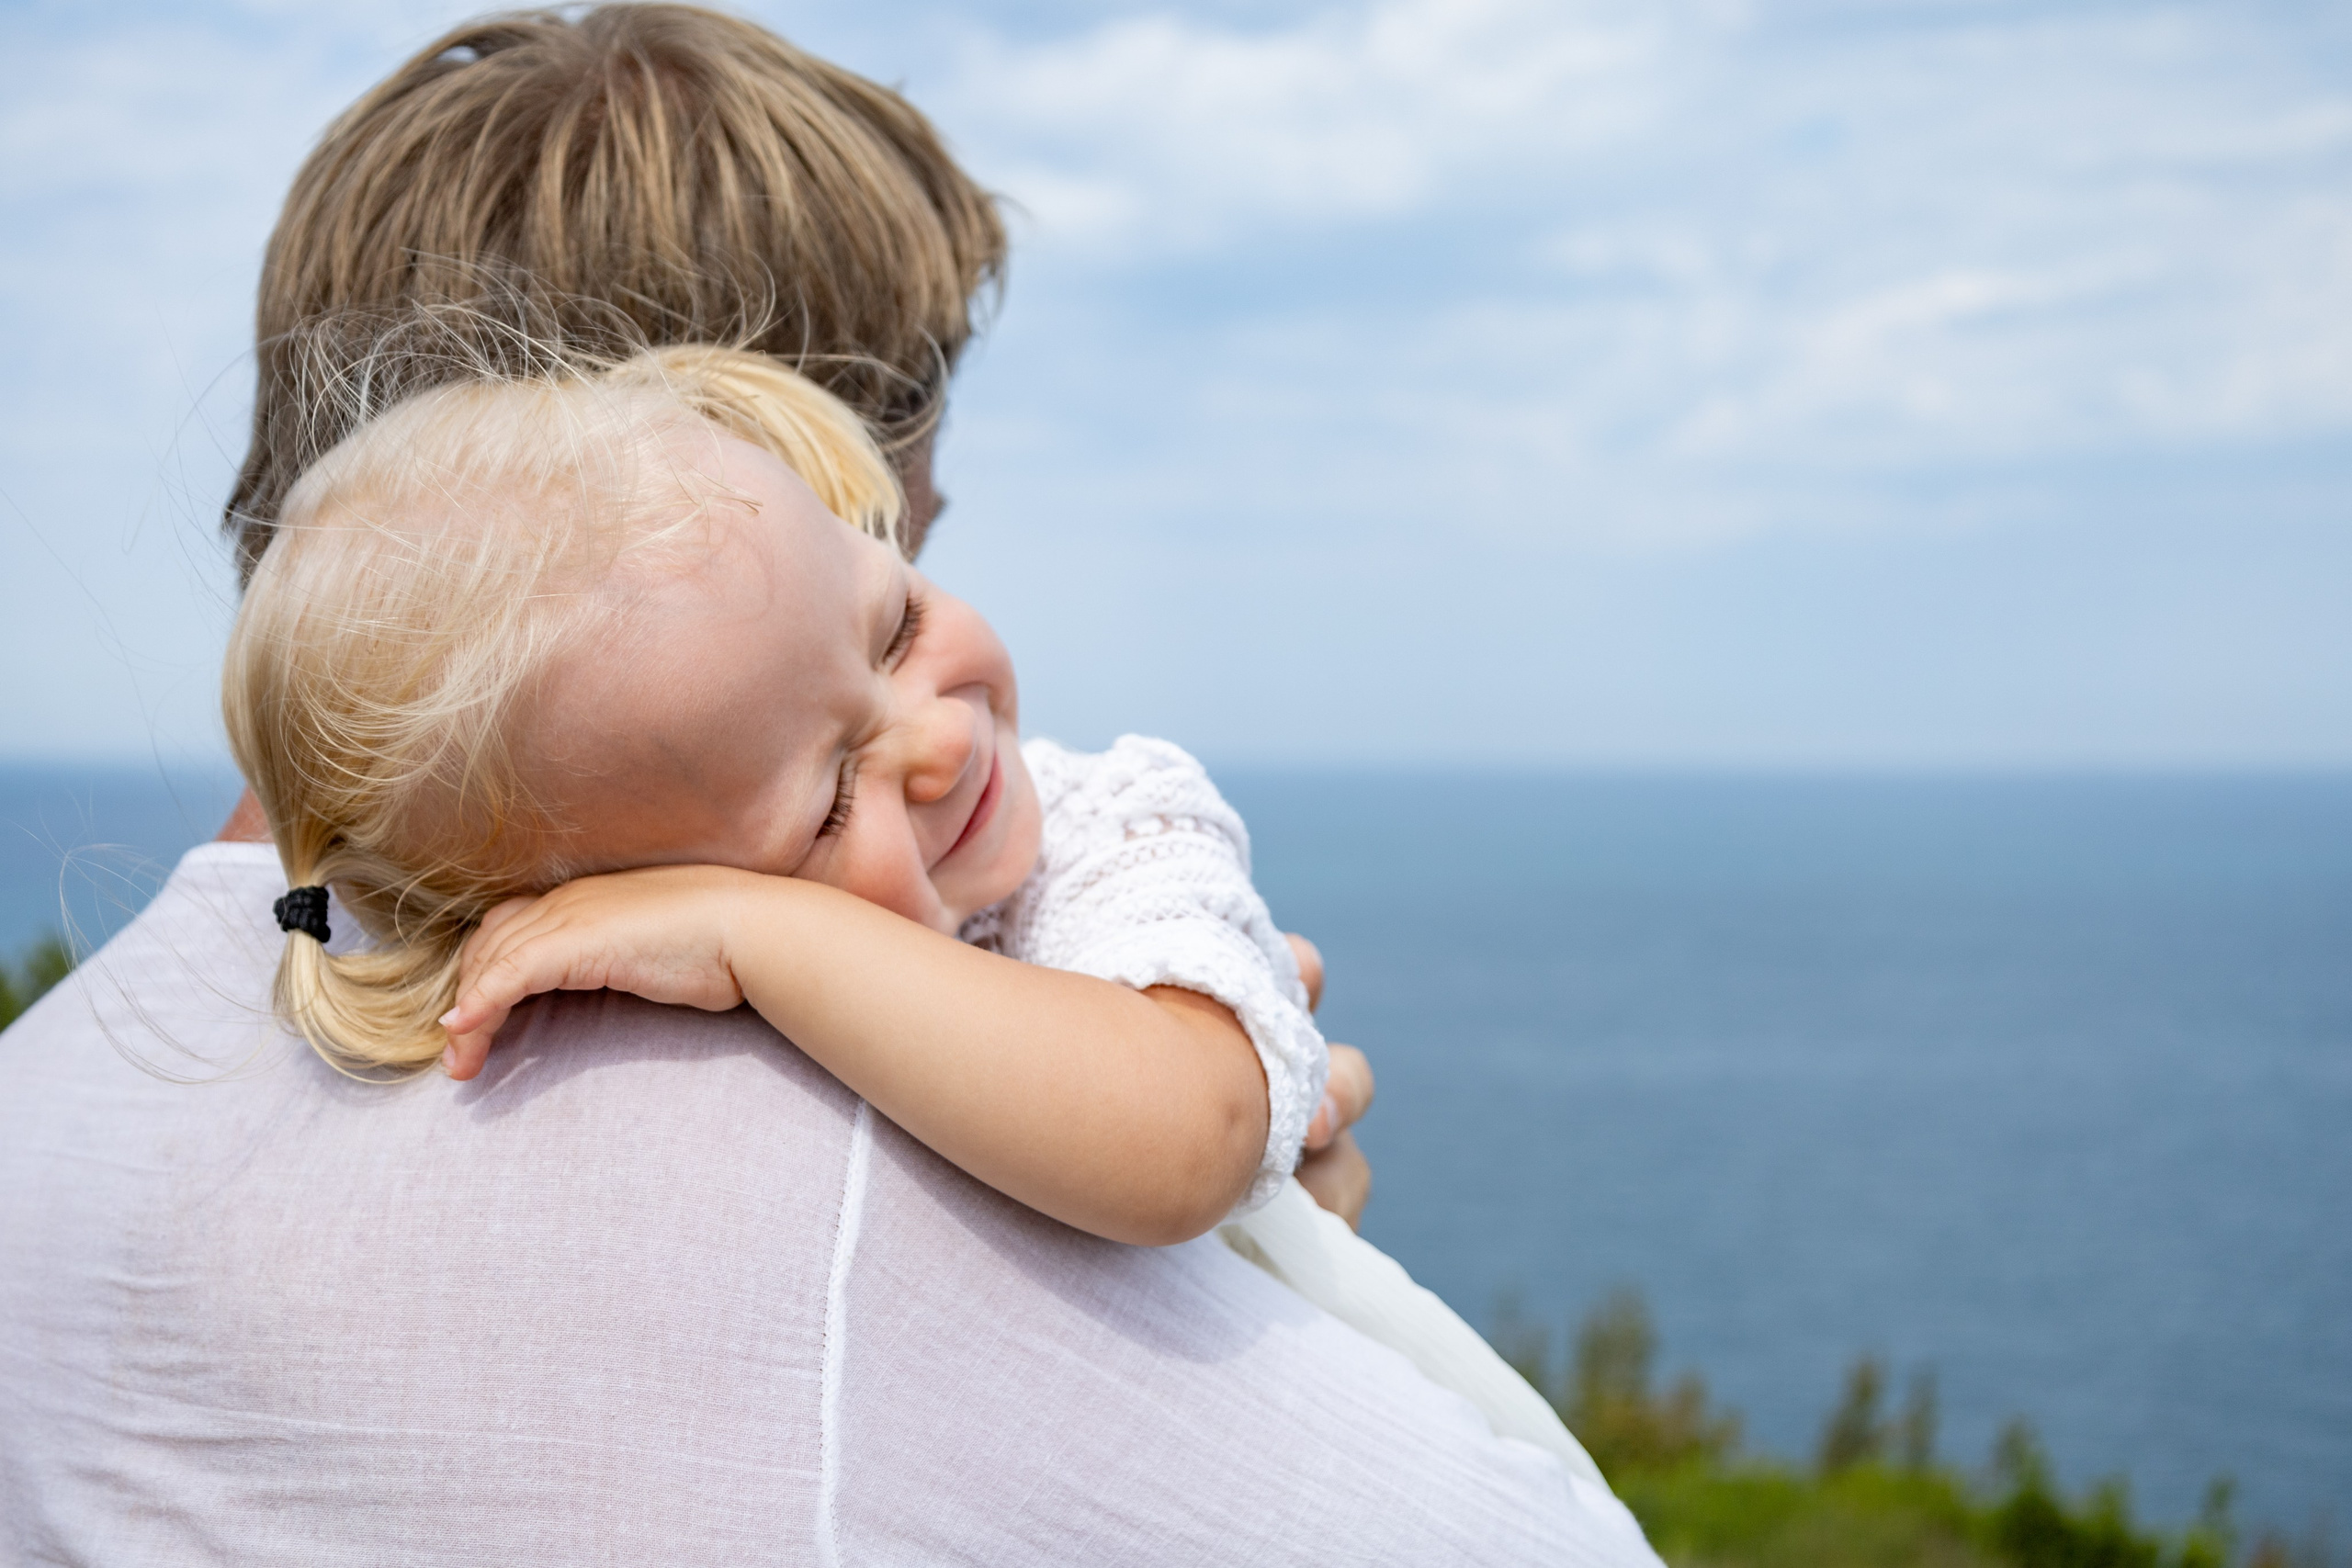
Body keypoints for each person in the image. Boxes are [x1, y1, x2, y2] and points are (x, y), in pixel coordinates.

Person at [0, 7, 1664, 1560]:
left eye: (897, 597)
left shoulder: (45, 1110)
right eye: (900, 519)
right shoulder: (829, 1165)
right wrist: (1257, 1304)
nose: (943, 738)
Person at [222, 336, 1598, 1472]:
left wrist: (766, 926)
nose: (937, 741)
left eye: (897, 625)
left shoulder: (1114, 831)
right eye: (826, 803)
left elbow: (1193, 1141)